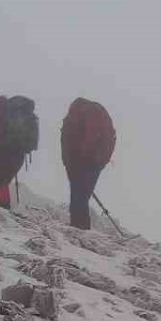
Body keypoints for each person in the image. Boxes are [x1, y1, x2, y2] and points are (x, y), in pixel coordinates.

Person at [61, 97, 116, 230]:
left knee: (78, 196)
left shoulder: (81, 113)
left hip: (83, 161)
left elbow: (89, 137)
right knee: (81, 196)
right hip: (95, 161)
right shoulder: (91, 113)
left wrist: (80, 157)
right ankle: (80, 227)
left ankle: (79, 228)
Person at [0, 95, 39, 208]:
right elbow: (33, 142)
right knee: (3, 180)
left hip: (0, 150)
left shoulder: (5, 112)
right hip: (19, 154)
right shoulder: (31, 117)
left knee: (0, 180)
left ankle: (2, 206)